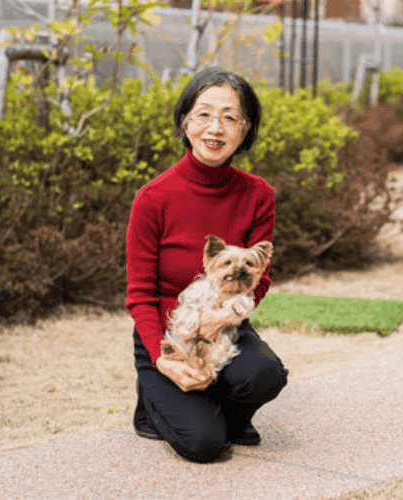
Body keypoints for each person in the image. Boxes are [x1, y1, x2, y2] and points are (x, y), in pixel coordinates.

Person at [125, 67, 288, 463]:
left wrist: (226, 318)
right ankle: (153, 405)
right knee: (205, 445)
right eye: (203, 114)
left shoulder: (257, 194)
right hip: (168, 335)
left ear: (246, 129)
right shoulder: (153, 198)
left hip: (226, 326)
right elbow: (140, 294)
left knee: (265, 374)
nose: (215, 128)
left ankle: (223, 410)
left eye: (230, 117)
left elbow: (258, 279)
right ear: (185, 121)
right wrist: (161, 356)